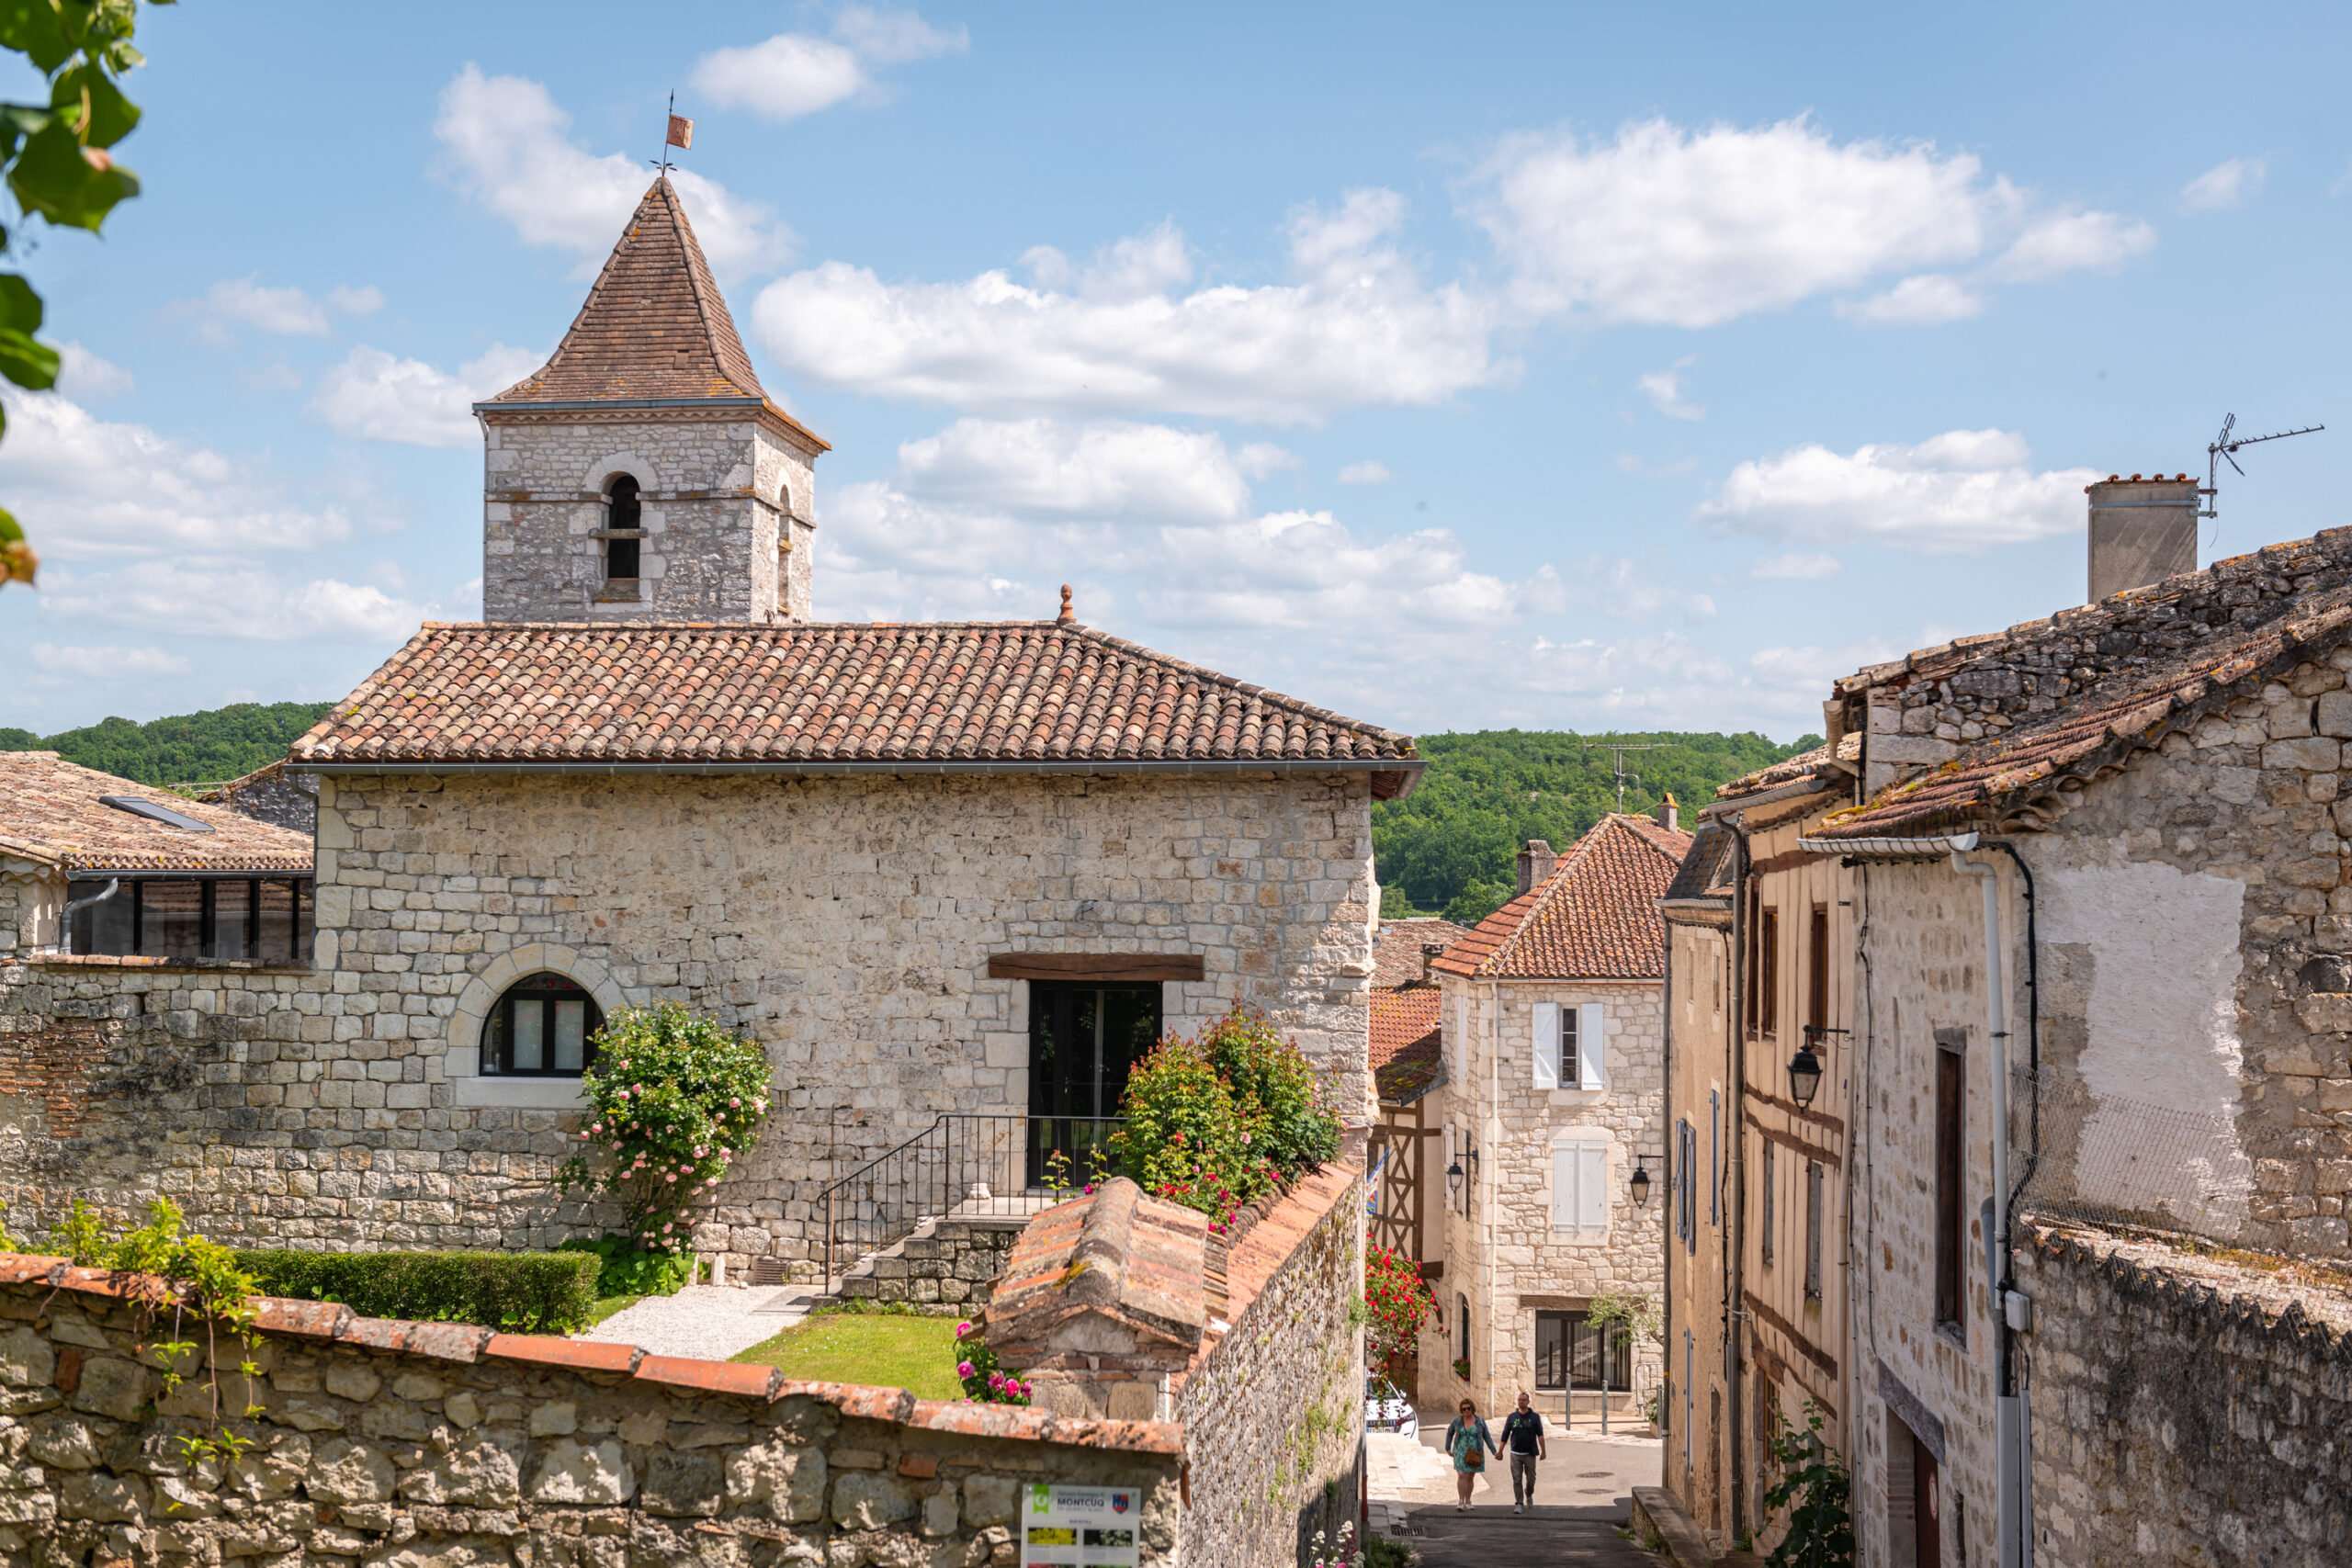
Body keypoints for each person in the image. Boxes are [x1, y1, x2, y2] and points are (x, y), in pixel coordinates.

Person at [1443, 1398, 1499, 1512]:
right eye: (1464, 1409)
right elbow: (1450, 1433)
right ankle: (1460, 1501)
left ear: (1472, 1408)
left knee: (1470, 1477)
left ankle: (1468, 1500)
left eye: (1468, 1408)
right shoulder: (1457, 1421)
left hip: (1475, 1452)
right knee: (1461, 1475)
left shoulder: (1480, 1421)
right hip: (1460, 1451)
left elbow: (1487, 1437)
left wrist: (1494, 1451)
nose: (1466, 1411)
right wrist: (1448, 1448)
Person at [1500, 1391, 1548, 1513]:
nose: (1521, 1402)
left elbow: (1540, 1435)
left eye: (1524, 1400)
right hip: (1515, 1453)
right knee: (1517, 1479)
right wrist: (1500, 1451)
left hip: (1530, 1453)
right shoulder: (1512, 1417)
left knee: (1531, 1479)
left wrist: (1543, 1451)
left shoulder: (1535, 1417)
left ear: (1528, 1402)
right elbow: (1505, 1435)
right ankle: (1519, 1503)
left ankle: (1529, 1492)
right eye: (1519, 1400)